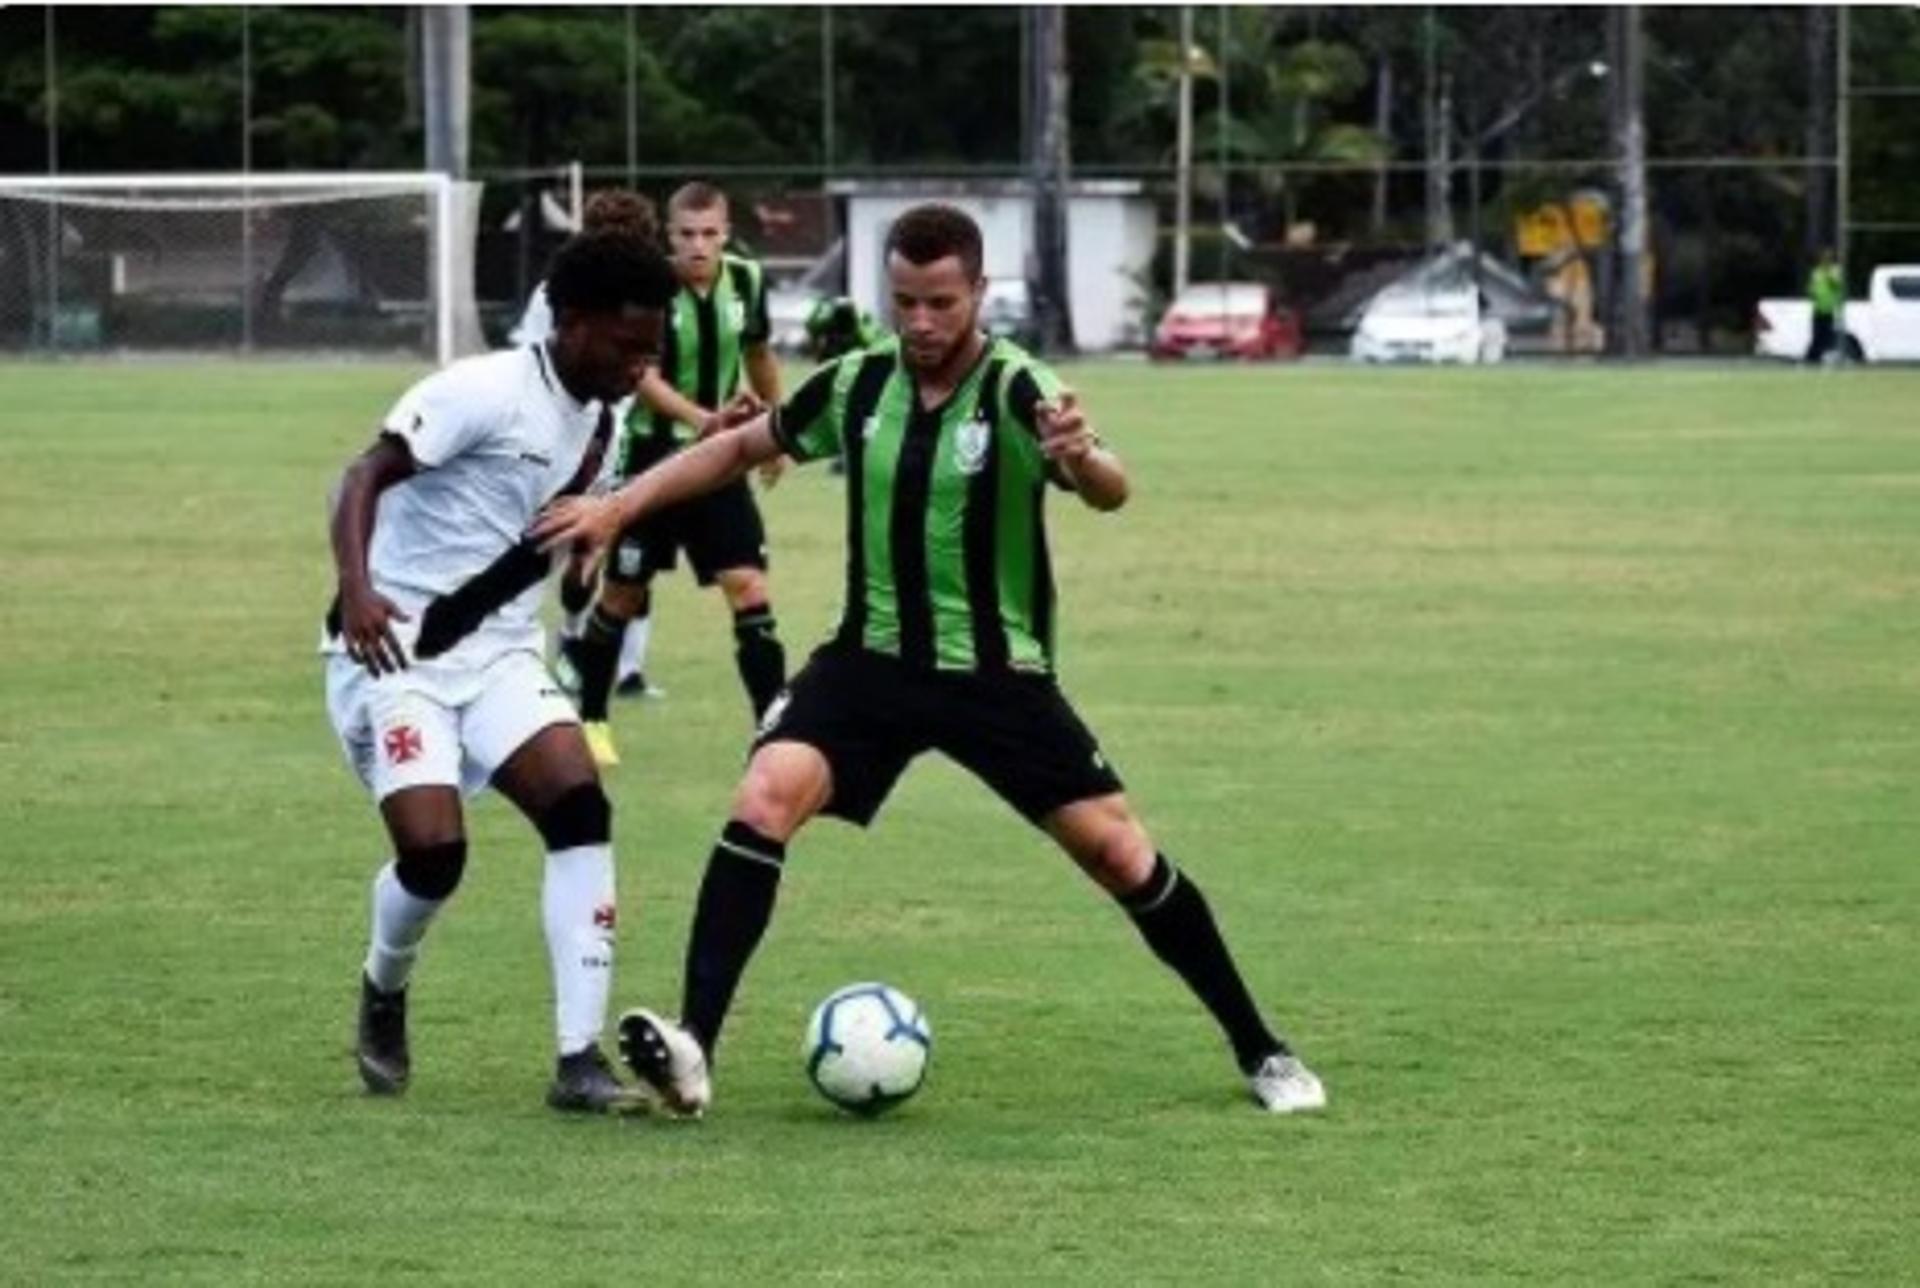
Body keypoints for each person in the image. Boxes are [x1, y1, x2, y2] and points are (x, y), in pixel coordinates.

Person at [533, 203, 1327, 1117]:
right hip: (869, 664)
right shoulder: (858, 383)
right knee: (762, 798)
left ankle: (1262, 1050)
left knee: (1120, 854)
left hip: (997, 676)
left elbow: (1106, 484)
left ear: (978, 293)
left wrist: (1083, 459)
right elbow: (739, 449)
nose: (919, 322)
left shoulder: (1021, 388)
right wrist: (618, 506)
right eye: (904, 301)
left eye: (940, 303)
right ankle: (693, 1049)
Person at [324, 230, 678, 1113]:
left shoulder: (607, 418)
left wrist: (587, 556)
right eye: (626, 347)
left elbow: (541, 539)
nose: (641, 368)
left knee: (580, 802)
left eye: (652, 352)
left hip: (499, 652)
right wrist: (359, 592)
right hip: (395, 647)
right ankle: (384, 986)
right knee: (435, 854)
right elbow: (361, 476)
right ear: (569, 322)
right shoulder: (483, 391)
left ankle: (578, 1060)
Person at [562, 181, 787, 768]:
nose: (697, 246)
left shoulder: (748, 282)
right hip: (652, 463)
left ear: (726, 233)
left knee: (750, 588)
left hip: (720, 466)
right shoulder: (649, 288)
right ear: (669, 235)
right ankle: (591, 718)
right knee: (622, 593)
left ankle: (771, 732)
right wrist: (703, 418)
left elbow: (760, 356)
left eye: (709, 234)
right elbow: (642, 374)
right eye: (686, 234)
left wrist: (779, 433)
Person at [510, 188, 666, 701]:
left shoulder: (651, 299)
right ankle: (565, 642)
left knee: (628, 553)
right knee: (570, 554)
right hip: (557, 445)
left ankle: (627, 667)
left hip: (621, 438)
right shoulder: (557, 295)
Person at [1805, 247, 1846, 366]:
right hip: (1817, 309)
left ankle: (1814, 359)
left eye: (1828, 258)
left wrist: (1828, 274)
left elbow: (1837, 284)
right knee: (1816, 335)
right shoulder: (1816, 272)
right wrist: (1812, 291)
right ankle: (1811, 360)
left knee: (1826, 337)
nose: (1825, 260)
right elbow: (1811, 288)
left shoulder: (1835, 271)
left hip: (1829, 310)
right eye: (1824, 258)